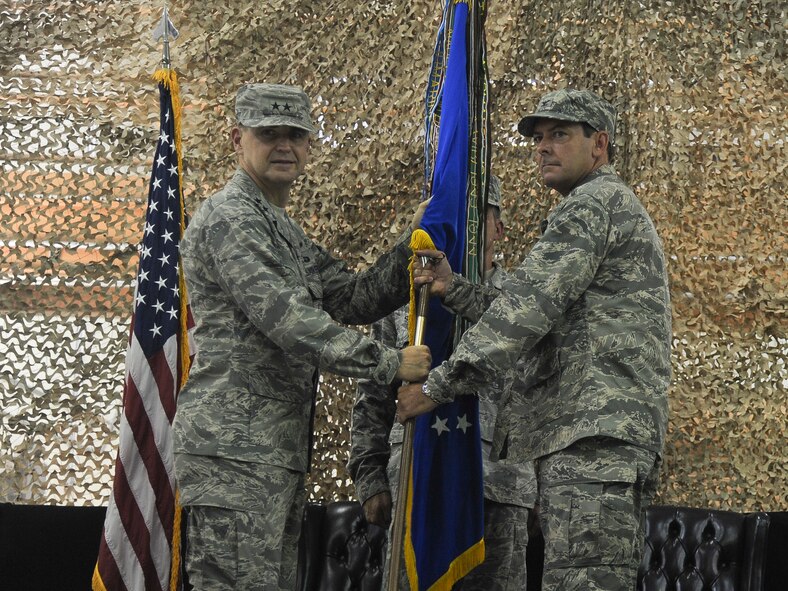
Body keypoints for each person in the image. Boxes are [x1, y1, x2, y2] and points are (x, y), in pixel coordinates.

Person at [397, 89, 672, 591]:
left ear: (600, 144)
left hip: (593, 439)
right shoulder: (603, 205)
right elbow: (541, 312)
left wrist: (436, 388)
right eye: (539, 138)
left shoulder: (591, 205)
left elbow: (525, 314)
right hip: (597, 435)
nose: (544, 147)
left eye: (560, 135)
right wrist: (452, 288)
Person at [173, 83, 431, 591]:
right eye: (269, 134)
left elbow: (352, 297)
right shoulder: (232, 218)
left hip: (269, 454)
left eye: (296, 135)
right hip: (233, 454)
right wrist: (389, 363)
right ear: (236, 139)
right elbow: (291, 323)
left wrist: (413, 245)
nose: (284, 146)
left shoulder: (279, 228)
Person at [348, 176, 537, 590]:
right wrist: (370, 478)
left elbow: (541, 398)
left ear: (499, 228)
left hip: (498, 491)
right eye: (448, 216)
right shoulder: (405, 301)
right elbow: (372, 393)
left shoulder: (524, 302)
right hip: (417, 479)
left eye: (474, 216)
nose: (459, 226)